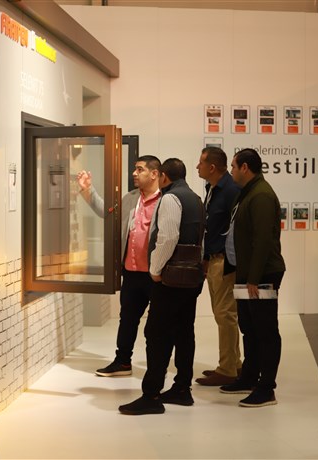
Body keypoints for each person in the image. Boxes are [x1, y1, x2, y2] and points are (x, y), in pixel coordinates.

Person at [119, 158, 205, 415]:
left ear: (164, 176)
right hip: (190, 278)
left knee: (156, 335)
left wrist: (155, 270)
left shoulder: (170, 198)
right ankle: (182, 388)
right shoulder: (195, 199)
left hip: (170, 280)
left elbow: (167, 238)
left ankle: (151, 395)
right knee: (184, 333)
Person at [77, 155, 161, 377]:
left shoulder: (166, 200)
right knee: (128, 320)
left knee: (157, 325)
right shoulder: (131, 198)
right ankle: (123, 362)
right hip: (131, 273)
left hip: (156, 276)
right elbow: (107, 213)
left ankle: (156, 368)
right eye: (135, 169)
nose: (134, 173)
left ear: (154, 174)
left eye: (140, 169)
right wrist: (88, 190)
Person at [220, 148, 286, 407]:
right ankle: (249, 377)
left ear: (245, 168)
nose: (231, 171)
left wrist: (254, 279)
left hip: (261, 275)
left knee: (265, 330)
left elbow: (263, 241)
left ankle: (266, 388)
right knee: (249, 327)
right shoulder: (247, 192)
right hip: (246, 273)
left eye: (234, 166)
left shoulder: (261, 195)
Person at [194, 147, 242, 386]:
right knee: (223, 314)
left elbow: (238, 227)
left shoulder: (231, 190)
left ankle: (228, 369)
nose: (197, 167)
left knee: (225, 315)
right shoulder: (212, 189)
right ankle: (234, 364)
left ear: (212, 167)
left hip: (224, 261)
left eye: (201, 163)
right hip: (214, 259)